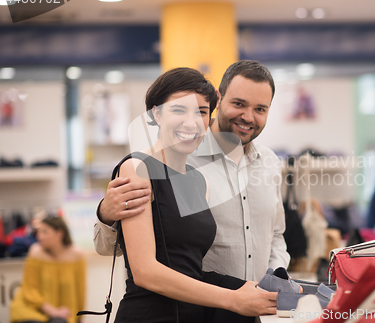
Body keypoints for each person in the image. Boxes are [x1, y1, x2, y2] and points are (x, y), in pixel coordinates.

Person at [95, 67, 276, 323]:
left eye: (201, 112)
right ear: (156, 113)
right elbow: (145, 271)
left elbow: (187, 262)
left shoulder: (198, 180)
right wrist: (232, 298)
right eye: (179, 110)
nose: (191, 122)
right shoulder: (139, 168)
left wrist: (253, 290)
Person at [9, 216, 86, 323]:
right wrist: (52, 311)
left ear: (59, 233)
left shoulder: (76, 255)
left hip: (63, 314)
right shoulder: (35, 252)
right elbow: (29, 290)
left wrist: (79, 318)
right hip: (32, 309)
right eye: (38, 232)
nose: (40, 237)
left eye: (45, 232)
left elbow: (80, 292)